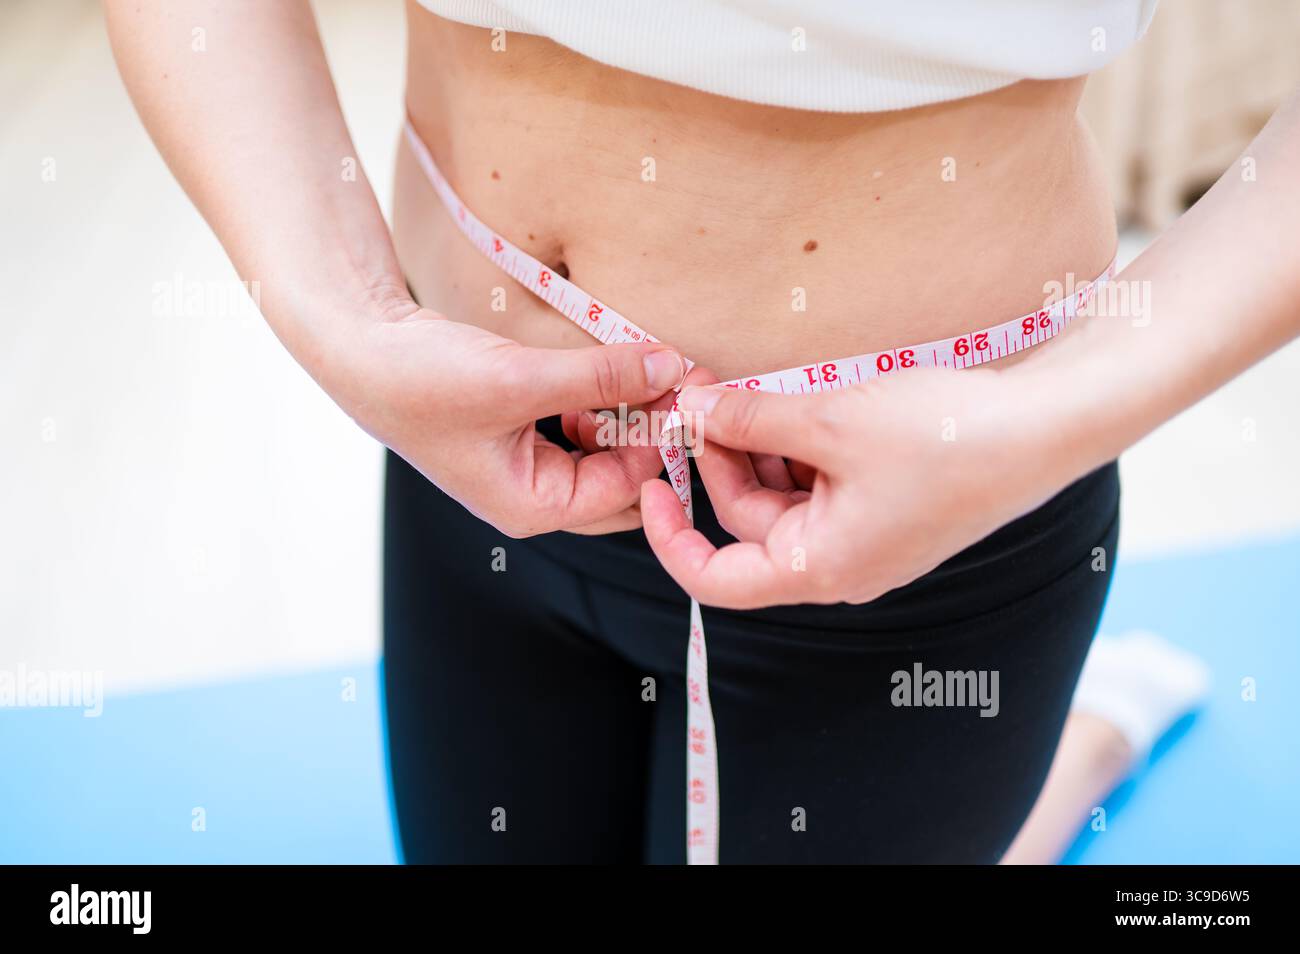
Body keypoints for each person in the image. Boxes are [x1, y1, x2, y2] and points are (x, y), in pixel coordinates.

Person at [105, 0, 1295, 863]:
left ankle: (1073, 754)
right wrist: (347, 320)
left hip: (911, 534)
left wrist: (1056, 415)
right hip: (473, 465)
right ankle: (1074, 755)